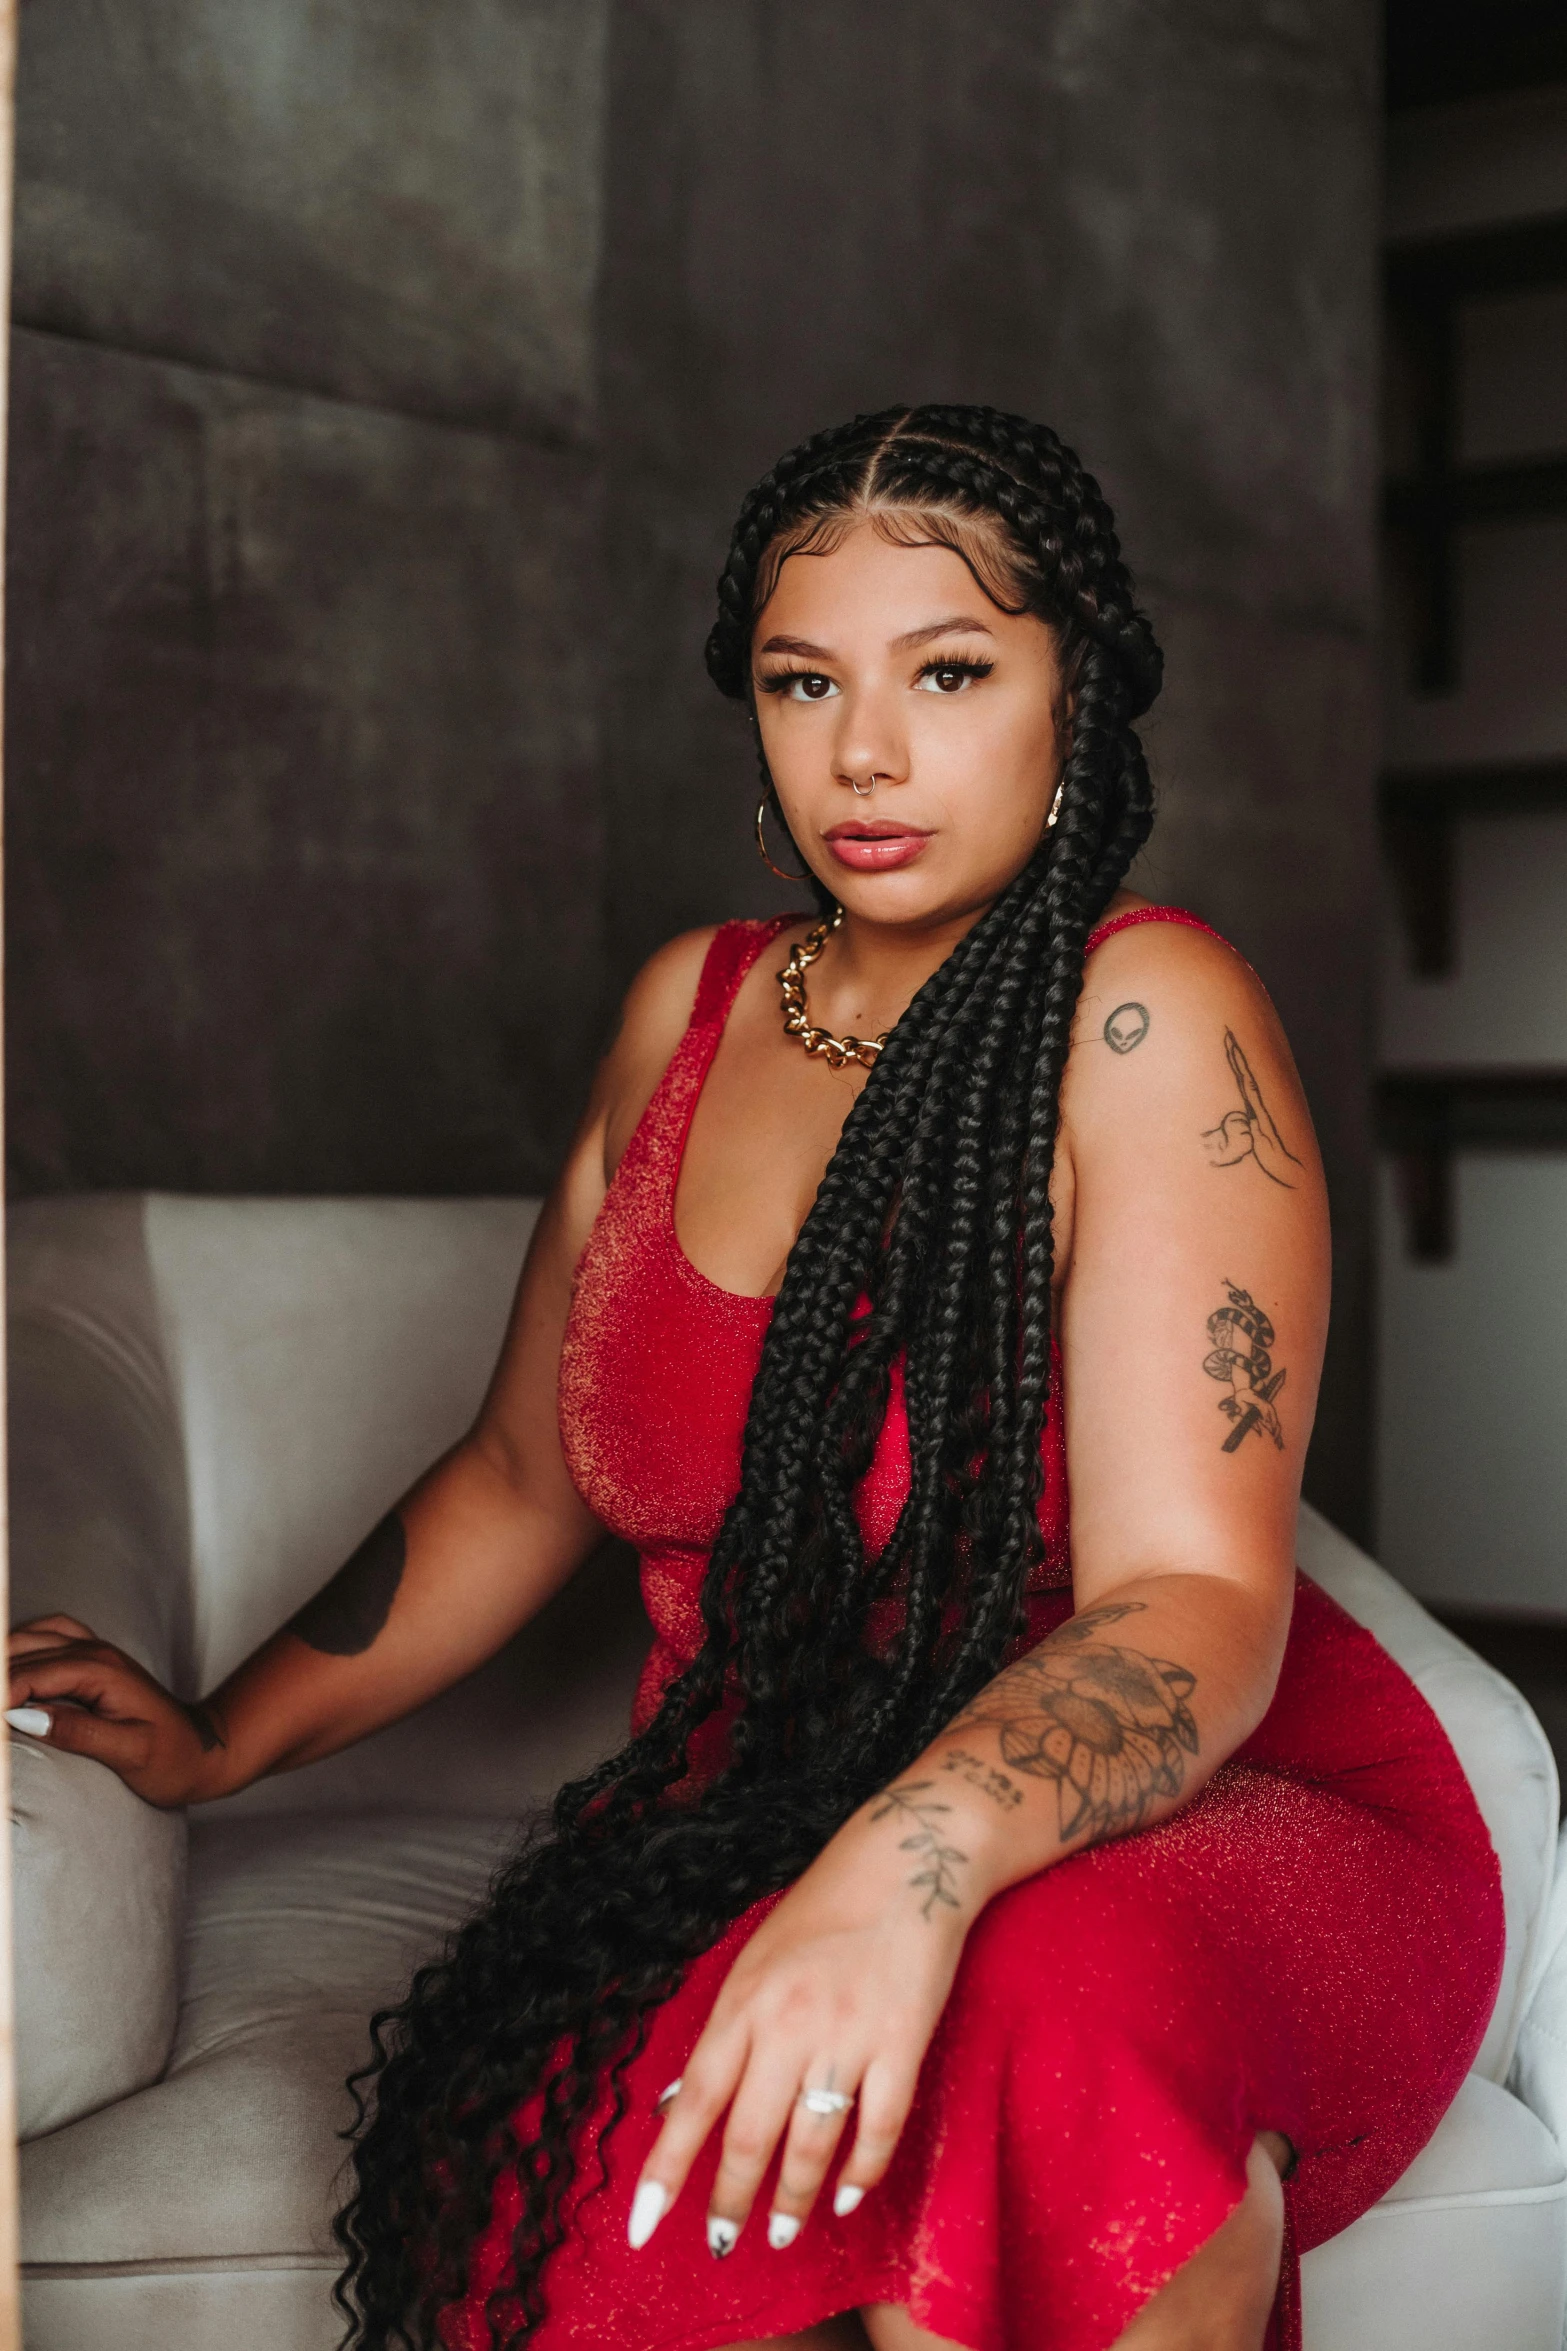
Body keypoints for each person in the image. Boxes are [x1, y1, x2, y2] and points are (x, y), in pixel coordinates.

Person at [8, 405, 1503, 2351]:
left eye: (950, 672)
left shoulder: (1149, 1015)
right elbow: (519, 1477)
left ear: (1082, 698)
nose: (864, 753)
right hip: (767, 1801)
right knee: (602, 2212)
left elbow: (1198, 1601)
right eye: (807, 684)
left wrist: (905, 1870)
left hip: (1214, 1802)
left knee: (1048, 2025)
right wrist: (224, 1734)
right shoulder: (685, 1012)